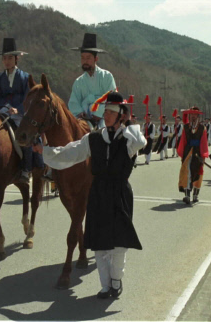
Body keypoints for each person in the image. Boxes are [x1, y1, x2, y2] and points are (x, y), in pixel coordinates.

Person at [33, 91, 145, 300]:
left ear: (121, 115)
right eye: (106, 111)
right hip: (98, 193)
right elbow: (70, 152)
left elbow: (141, 141)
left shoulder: (129, 139)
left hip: (120, 193)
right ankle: (105, 286)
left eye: (111, 112)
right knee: (99, 244)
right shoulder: (93, 139)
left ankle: (116, 281)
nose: (106, 115)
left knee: (119, 244)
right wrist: (45, 152)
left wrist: (128, 121)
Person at [0, 38, 44, 183]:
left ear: (17, 59)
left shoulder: (25, 78)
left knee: (24, 135)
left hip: (18, 114)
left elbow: (28, 98)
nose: (7, 61)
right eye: (4, 58)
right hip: (0, 112)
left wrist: (18, 109)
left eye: (10, 58)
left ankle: (26, 169)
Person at [68, 33, 116, 129]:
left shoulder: (107, 76)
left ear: (96, 59)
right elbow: (74, 102)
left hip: (104, 117)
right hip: (84, 120)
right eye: (82, 58)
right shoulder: (78, 82)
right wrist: (80, 113)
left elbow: (111, 98)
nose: (85, 61)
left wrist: (98, 113)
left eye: (88, 58)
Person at [177, 107, 209, 204]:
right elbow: (183, 141)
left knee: (198, 173)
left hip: (198, 152)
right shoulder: (186, 127)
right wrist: (182, 153)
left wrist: (203, 154)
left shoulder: (202, 128)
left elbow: (204, 142)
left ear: (198, 116)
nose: (193, 117)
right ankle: (187, 195)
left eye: (195, 115)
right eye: (191, 115)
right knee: (187, 171)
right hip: (188, 152)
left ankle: (195, 194)